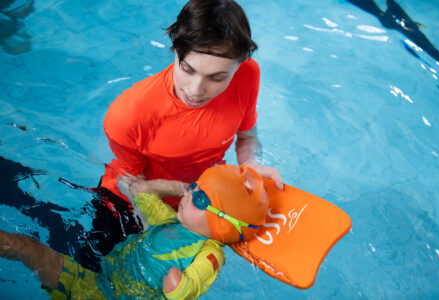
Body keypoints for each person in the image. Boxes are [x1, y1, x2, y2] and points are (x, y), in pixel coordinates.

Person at [77, 0, 284, 270]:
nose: (196, 90)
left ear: (240, 64)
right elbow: (135, 187)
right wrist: (183, 212)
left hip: (199, 204)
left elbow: (247, 137)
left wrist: (251, 166)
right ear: (175, 49)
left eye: (217, 77)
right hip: (128, 205)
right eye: (188, 69)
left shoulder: (247, 75)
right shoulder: (129, 114)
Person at [0, 165, 269, 299]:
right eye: (194, 186)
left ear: (222, 224)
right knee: (24, 245)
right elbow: (144, 197)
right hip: (96, 280)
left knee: (26, 247)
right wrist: (162, 187)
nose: (189, 195)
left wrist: (179, 285)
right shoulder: (172, 221)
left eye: (200, 199)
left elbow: (186, 289)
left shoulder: (210, 253)